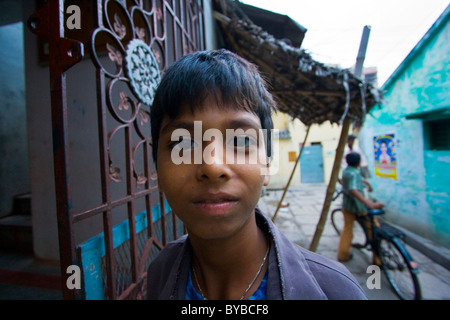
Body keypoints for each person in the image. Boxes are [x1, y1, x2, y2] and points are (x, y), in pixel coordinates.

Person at [146, 49, 367, 300]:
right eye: (183, 144)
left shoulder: (337, 291)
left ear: (267, 164)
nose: (213, 167)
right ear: (158, 169)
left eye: (240, 140)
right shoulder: (160, 273)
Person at [337, 152, 384, 263]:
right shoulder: (355, 173)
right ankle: (378, 260)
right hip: (359, 208)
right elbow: (354, 190)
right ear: (358, 162)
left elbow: (349, 181)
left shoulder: (346, 171)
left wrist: (365, 182)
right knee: (374, 229)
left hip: (347, 206)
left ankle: (343, 255)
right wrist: (370, 204)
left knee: (347, 229)